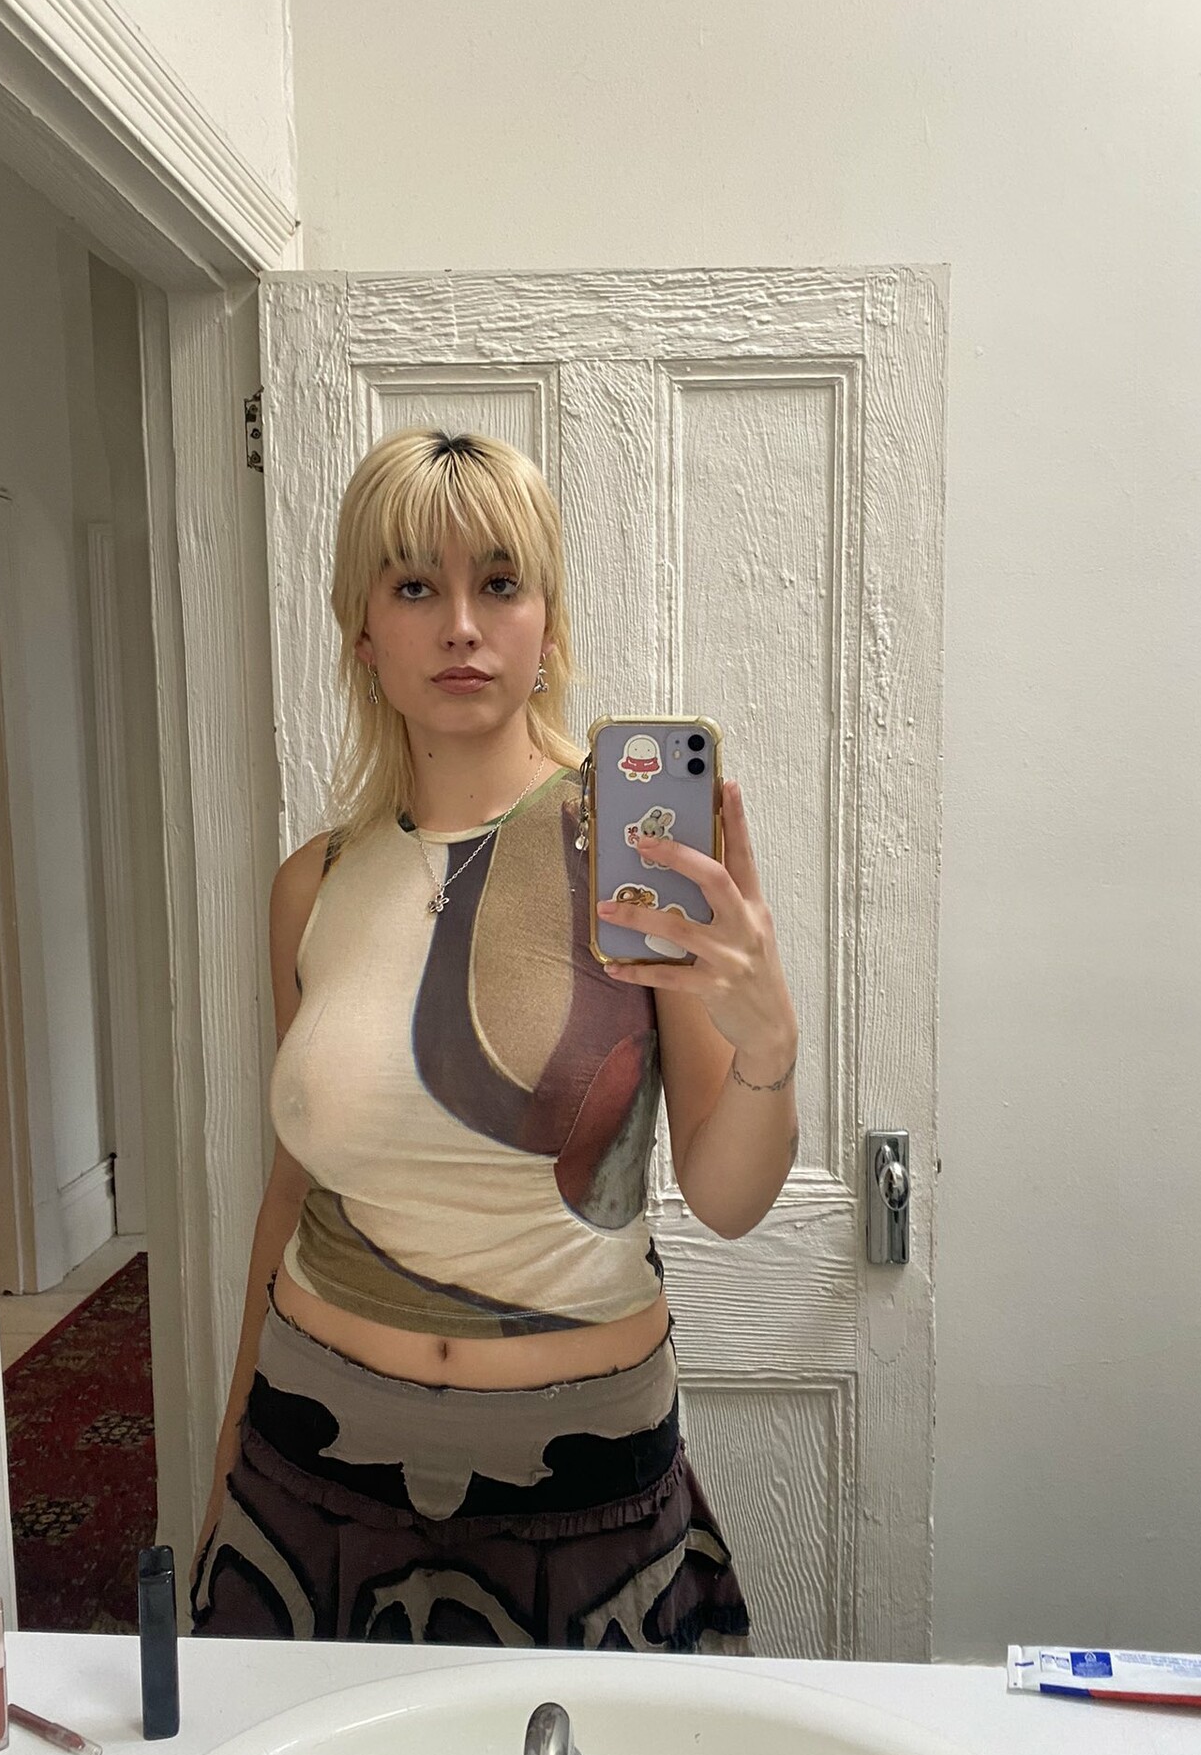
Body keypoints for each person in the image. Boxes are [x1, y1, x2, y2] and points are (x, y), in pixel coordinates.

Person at [188, 428, 799, 1649]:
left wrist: (768, 1045)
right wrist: (222, 1468)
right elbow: (293, 1189)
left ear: (548, 623)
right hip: (307, 1469)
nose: (461, 626)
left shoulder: (632, 859)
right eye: (416, 587)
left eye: (500, 584)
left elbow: (729, 1201)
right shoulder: (315, 884)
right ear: (364, 633)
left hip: (584, 1490)